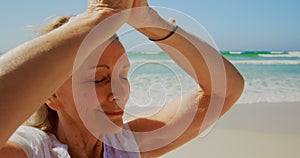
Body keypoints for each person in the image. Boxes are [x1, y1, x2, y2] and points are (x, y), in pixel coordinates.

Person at [0, 0, 244, 157]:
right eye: (98, 79)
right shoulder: (32, 150)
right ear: (52, 94)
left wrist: (152, 23)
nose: (118, 92)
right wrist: (96, 19)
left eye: (123, 76)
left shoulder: (127, 146)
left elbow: (224, 90)